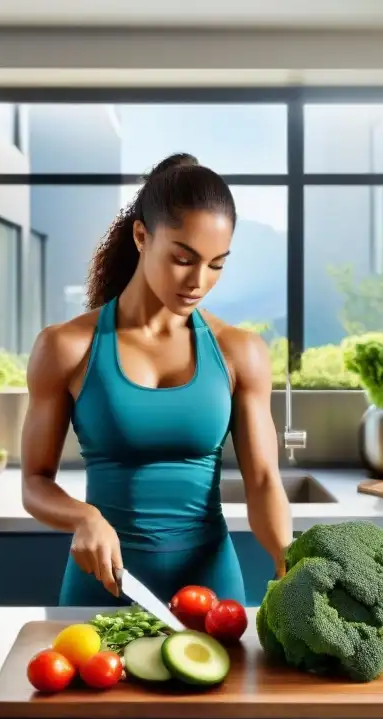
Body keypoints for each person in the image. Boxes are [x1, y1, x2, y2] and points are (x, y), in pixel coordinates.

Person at [21, 152, 292, 607]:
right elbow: (34, 483)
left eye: (217, 264)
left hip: (211, 592)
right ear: (142, 236)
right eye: (183, 259)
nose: (199, 282)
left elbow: (263, 480)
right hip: (104, 588)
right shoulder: (66, 347)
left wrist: (289, 563)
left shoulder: (239, 352)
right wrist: (84, 517)